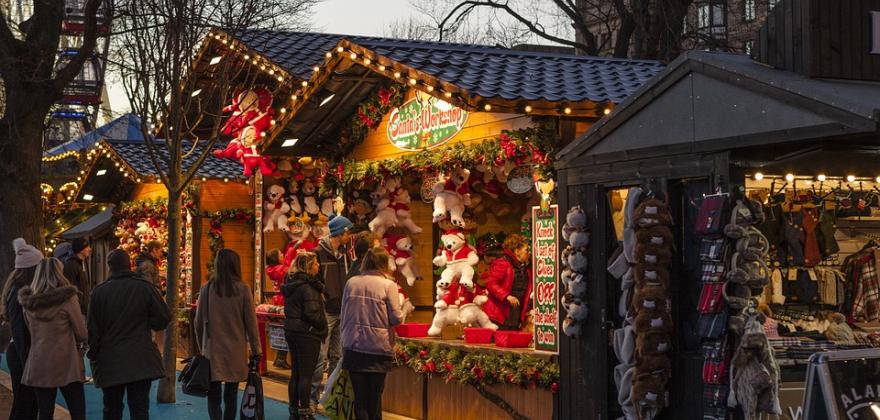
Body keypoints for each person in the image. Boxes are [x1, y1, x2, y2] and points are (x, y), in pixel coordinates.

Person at [88, 249, 170, 420]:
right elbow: (163, 318)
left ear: (109, 267)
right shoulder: (144, 288)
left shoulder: (99, 293)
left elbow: (93, 331)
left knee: (111, 408)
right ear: (130, 264)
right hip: (140, 357)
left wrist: (94, 355)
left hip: (110, 359)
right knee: (139, 408)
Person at [194, 249, 261, 420]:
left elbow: (198, 322)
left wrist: (202, 346)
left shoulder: (207, 288)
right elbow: (251, 325)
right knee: (231, 395)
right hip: (236, 350)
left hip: (212, 350)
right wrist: (256, 350)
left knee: (213, 395)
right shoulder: (243, 289)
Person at [18, 257, 87, 420]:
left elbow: (30, 331)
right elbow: (81, 333)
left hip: (39, 361)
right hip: (67, 362)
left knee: (45, 412)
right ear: (59, 273)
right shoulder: (68, 298)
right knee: (77, 411)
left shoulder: (28, 303)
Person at [341, 248, 403, 420]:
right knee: (374, 399)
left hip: (353, 345)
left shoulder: (351, 282)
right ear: (384, 264)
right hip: (378, 348)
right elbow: (396, 318)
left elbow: (343, 313)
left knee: (360, 399)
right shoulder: (389, 285)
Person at [311, 215, 354, 404]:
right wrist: (325, 296)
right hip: (327, 311)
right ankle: (311, 398)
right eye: (348, 231)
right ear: (340, 232)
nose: (350, 235)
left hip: (342, 310)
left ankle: (330, 399)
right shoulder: (318, 253)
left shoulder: (345, 254)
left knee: (337, 355)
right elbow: (315, 280)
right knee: (320, 355)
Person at [282, 252, 328, 420]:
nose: (318, 266)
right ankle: (305, 412)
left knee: (296, 373)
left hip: (292, 331)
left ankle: (294, 410)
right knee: (306, 375)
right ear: (308, 266)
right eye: (315, 264)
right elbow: (312, 313)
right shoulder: (309, 287)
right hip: (307, 334)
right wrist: (323, 327)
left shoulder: (292, 283)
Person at [2, 238, 42, 420]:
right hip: (21, 355)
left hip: (21, 353)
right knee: (24, 404)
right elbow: (19, 332)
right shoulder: (19, 292)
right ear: (31, 269)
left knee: (26, 403)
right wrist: (28, 361)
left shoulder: (18, 288)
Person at [482, 234, 533, 330]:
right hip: (500, 313)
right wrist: (507, 296)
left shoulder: (525, 268)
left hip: (515, 313)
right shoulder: (502, 263)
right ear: (517, 251)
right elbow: (491, 283)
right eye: (526, 250)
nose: (528, 253)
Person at [266, 248, 291, 370]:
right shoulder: (279, 269)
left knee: (280, 331)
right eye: (281, 254)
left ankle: (279, 358)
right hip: (283, 301)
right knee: (283, 331)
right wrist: (290, 252)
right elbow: (287, 269)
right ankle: (281, 358)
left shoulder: (271, 269)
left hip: (277, 300)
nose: (283, 254)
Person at [63, 237, 91, 314]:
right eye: (87, 247)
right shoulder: (71, 265)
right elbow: (69, 287)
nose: (90, 249)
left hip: (83, 307)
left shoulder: (81, 263)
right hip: (77, 309)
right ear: (81, 249)